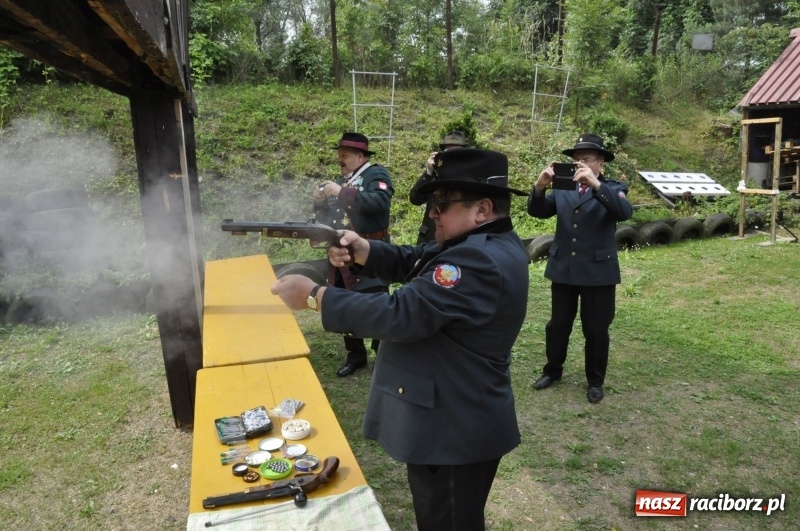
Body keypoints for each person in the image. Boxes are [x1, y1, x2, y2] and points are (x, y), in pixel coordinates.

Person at [273, 148, 530, 531]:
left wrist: (316, 297)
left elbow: (400, 314)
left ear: (482, 209)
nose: (432, 213)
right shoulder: (479, 246)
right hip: (454, 417)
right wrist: (364, 248)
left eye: (442, 203)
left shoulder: (475, 260)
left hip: (452, 428)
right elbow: (418, 257)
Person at [528, 133, 633, 403]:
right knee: (558, 325)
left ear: (601, 164)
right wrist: (539, 188)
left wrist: (596, 184)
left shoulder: (612, 187)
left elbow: (623, 212)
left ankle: (595, 381)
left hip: (598, 272)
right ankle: (552, 371)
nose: (579, 164)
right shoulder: (563, 188)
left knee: (596, 329)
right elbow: (537, 211)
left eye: (585, 159)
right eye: (576, 160)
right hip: (564, 268)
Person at [313, 132, 394, 377]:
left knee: (376, 304)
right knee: (344, 304)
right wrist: (318, 202)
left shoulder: (376, 174)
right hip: (341, 252)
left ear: (360, 156)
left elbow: (379, 203)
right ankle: (355, 355)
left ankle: (384, 354)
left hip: (371, 251)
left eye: (345, 155)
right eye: (339, 155)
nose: (340, 159)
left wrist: (340, 192)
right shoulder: (342, 180)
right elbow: (330, 217)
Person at [409, 130, 471, 244]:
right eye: (448, 153)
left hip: (458, 239)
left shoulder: (469, 177)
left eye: (456, 153)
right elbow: (415, 199)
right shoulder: (435, 175)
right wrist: (428, 172)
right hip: (430, 239)